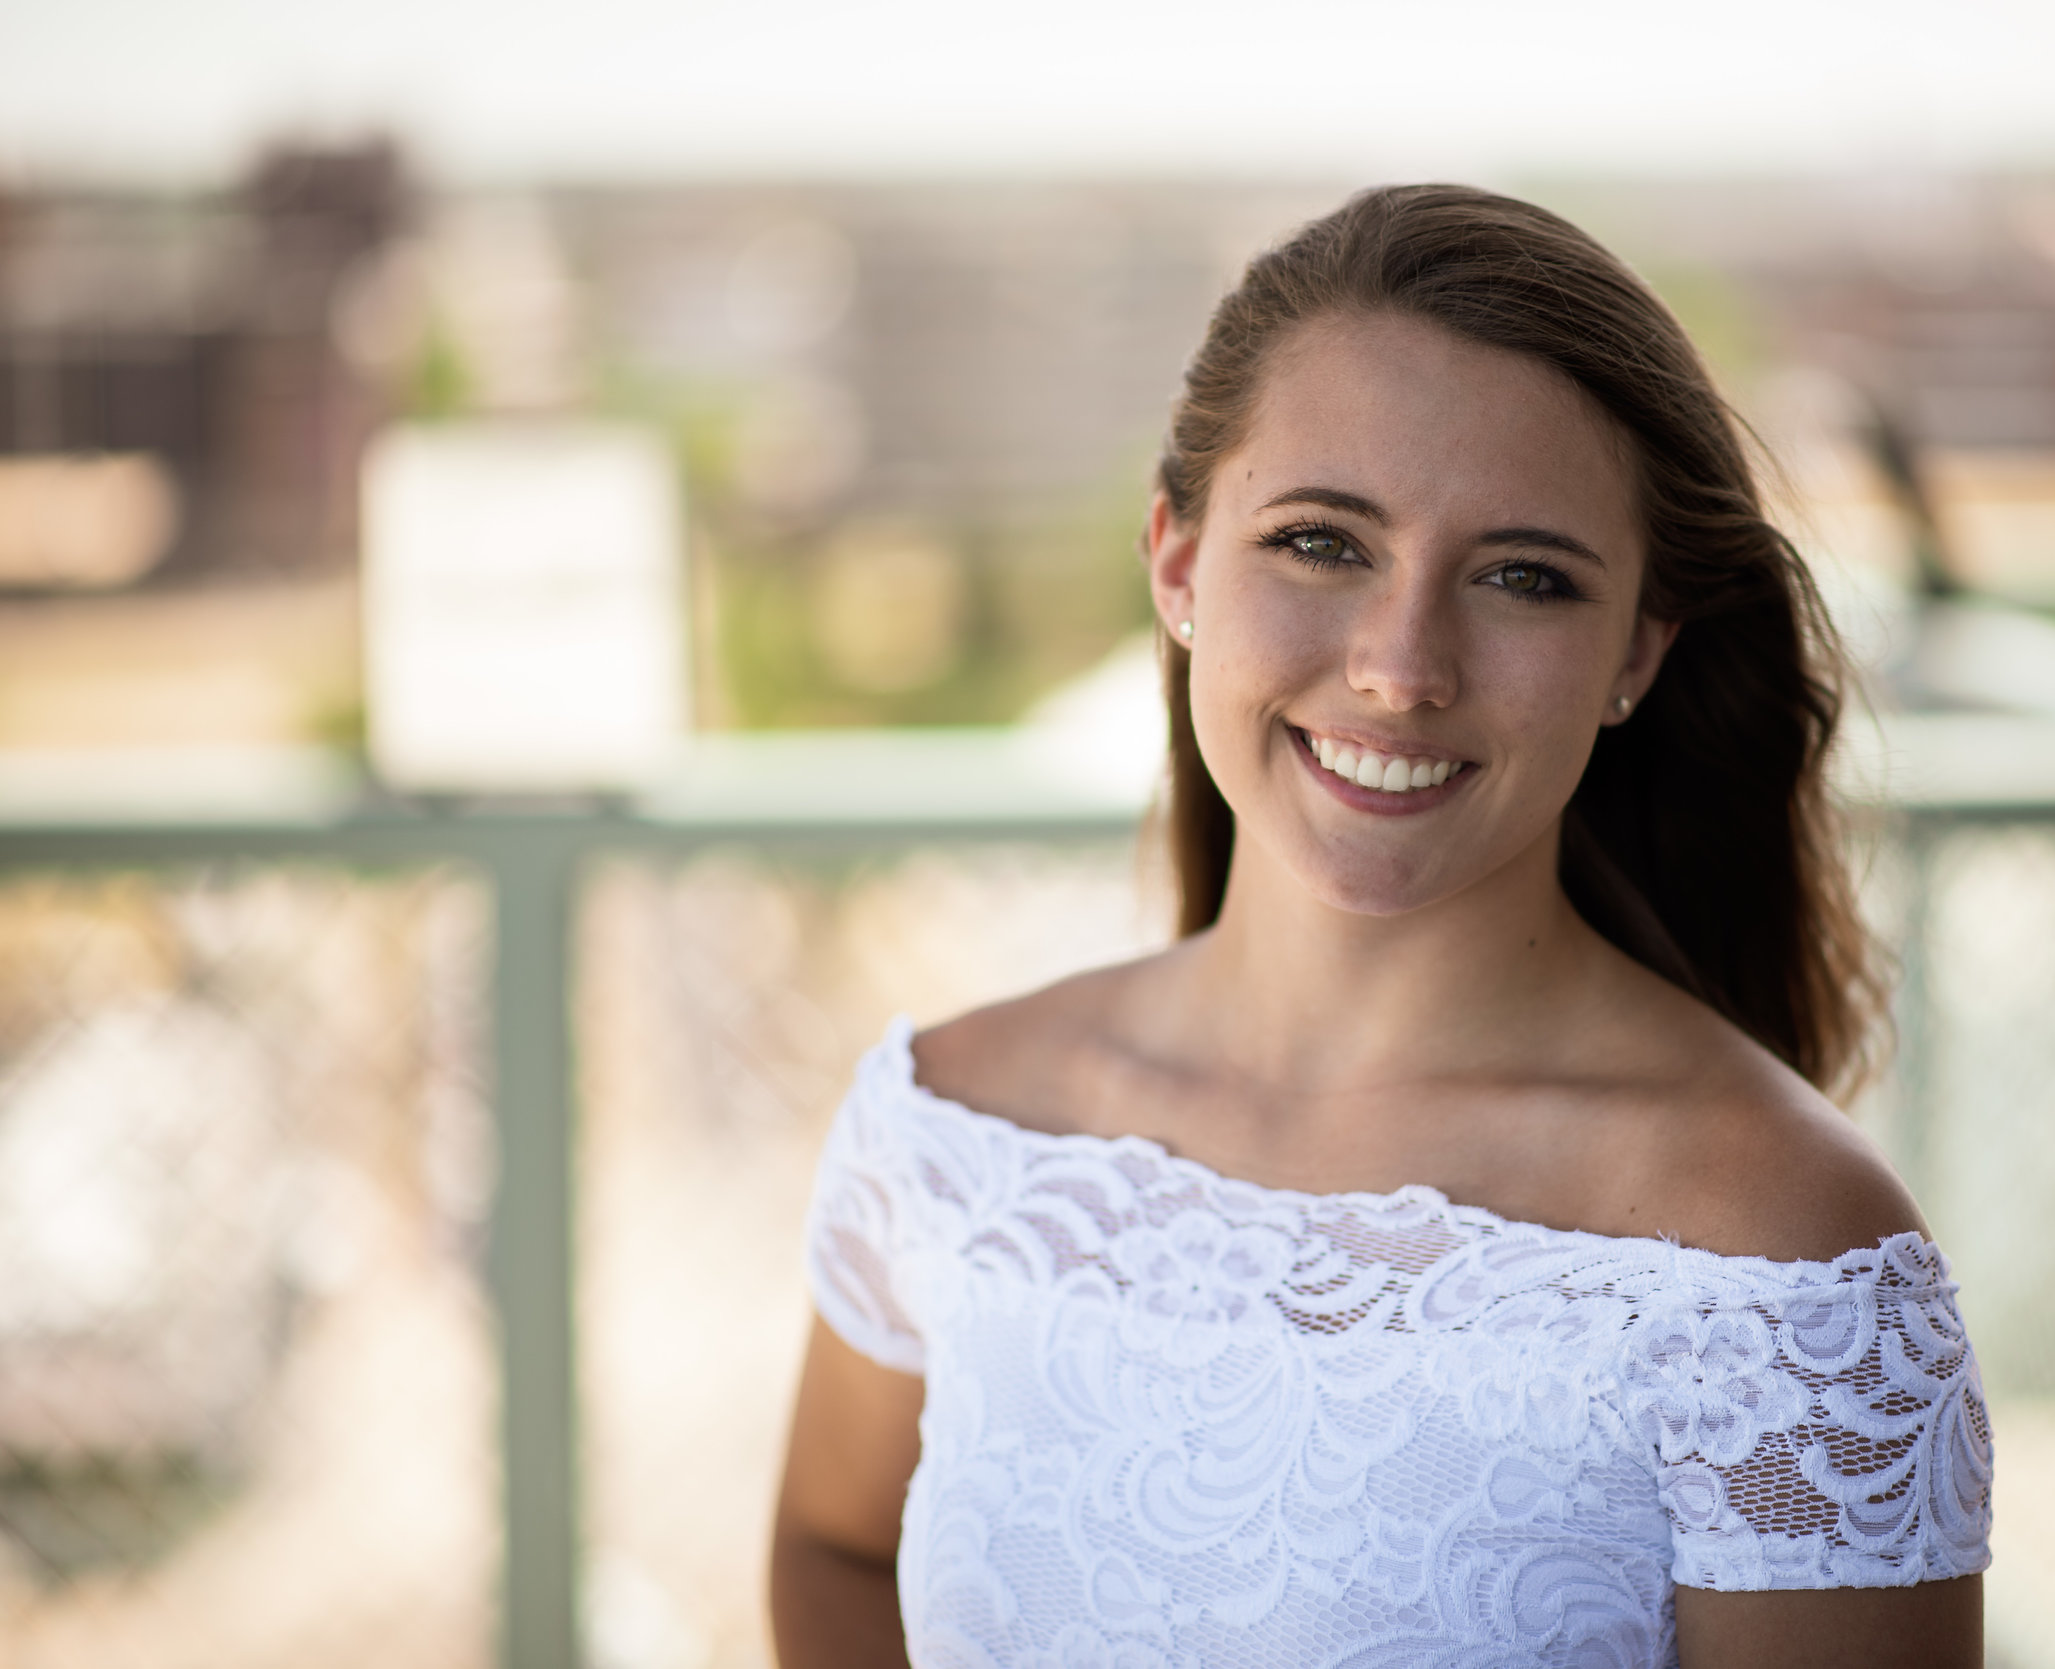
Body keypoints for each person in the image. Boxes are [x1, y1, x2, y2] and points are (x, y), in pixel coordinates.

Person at [770, 185, 1992, 1668]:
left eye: (1524, 577)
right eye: (1321, 544)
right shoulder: (951, 1131)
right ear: (1176, 562)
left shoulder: (1783, 1261)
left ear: (1635, 654)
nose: (1402, 667)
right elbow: (837, 1547)